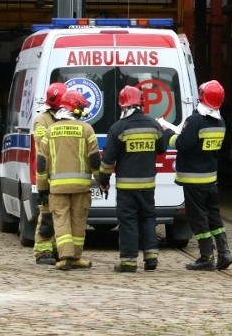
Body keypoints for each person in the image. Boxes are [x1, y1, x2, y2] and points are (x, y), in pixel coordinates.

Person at [158, 80, 231, 271]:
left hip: (193, 178)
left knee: (198, 218)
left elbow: (182, 144)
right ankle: (224, 252)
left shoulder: (195, 120)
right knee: (214, 216)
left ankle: (206, 256)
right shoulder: (220, 121)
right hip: (210, 178)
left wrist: (167, 134)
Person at [99, 85, 167, 273]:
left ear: (122, 105)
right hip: (147, 185)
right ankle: (151, 258)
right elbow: (162, 149)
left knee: (128, 222)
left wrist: (103, 181)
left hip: (126, 187)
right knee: (147, 218)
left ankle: (128, 262)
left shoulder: (118, 128)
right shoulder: (153, 125)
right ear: (141, 103)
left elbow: (107, 160)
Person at [36, 89, 101, 271]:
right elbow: (94, 159)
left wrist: (42, 188)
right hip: (81, 187)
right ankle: (77, 257)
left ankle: (65, 258)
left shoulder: (50, 131)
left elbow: (41, 163)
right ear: (76, 109)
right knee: (78, 220)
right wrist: (102, 181)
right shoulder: (87, 129)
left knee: (61, 220)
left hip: (57, 188)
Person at [31, 81, 67, 265]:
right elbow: (42, 146)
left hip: (62, 174)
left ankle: (55, 249)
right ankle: (42, 252)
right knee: (46, 216)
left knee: (60, 216)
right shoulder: (42, 119)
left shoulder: (64, 117)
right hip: (48, 173)